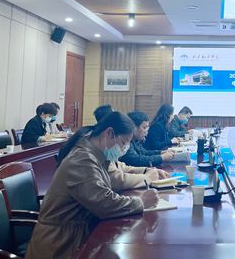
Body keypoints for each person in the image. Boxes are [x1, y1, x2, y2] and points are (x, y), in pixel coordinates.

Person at [25, 111, 159, 259]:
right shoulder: (82, 160)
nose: (124, 148)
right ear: (109, 133)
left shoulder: (97, 154)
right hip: (59, 245)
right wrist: (141, 202)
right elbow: (104, 203)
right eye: (123, 143)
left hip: (75, 236)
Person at [92, 106, 170, 186]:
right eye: (123, 143)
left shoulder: (107, 146)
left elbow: (120, 166)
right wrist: (147, 178)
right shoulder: (93, 151)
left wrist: (147, 170)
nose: (124, 147)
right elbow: (116, 179)